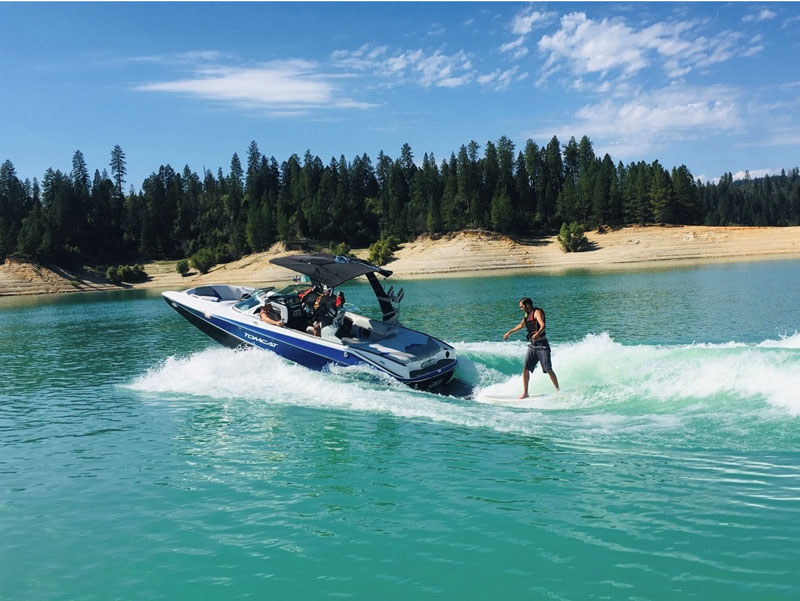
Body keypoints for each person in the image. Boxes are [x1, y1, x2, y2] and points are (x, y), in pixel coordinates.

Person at [503, 297, 560, 397]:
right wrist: (509, 332)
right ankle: (525, 392)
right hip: (533, 346)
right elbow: (521, 326)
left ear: (527, 305)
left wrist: (538, 333)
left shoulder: (537, 312)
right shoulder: (527, 314)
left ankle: (558, 391)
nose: (521, 309)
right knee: (525, 368)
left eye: (522, 306)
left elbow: (543, 325)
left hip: (542, 345)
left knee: (548, 369)